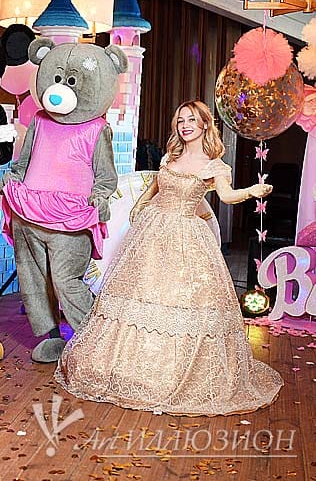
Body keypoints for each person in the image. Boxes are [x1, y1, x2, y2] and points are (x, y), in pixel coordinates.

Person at [55, 100, 283, 416]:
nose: (185, 125)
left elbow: (227, 196)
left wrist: (250, 192)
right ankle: (127, 367)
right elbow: (155, 187)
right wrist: (140, 205)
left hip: (187, 234)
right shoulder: (170, 157)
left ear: (205, 124)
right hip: (152, 230)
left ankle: (166, 372)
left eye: (191, 120)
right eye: (180, 120)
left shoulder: (215, 165)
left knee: (179, 299)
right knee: (139, 294)